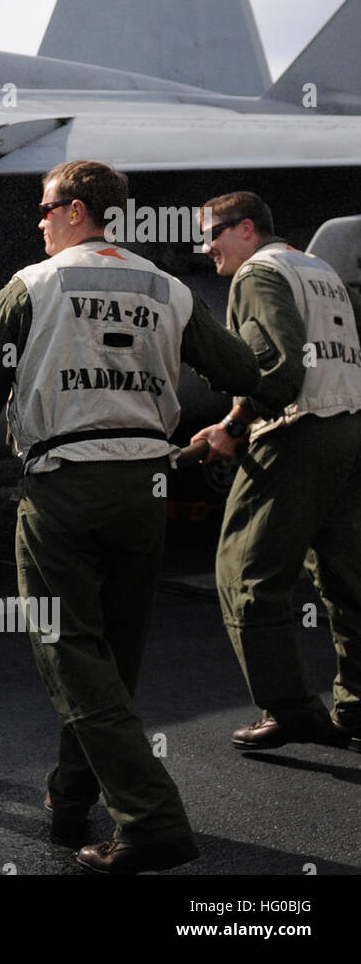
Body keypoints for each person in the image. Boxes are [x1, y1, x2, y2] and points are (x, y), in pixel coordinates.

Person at [0, 160, 258, 874]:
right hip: (146, 489)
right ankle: (71, 796)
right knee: (110, 655)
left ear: (76, 210)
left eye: (47, 208)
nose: (39, 221)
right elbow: (244, 368)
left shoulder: (34, 284)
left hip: (64, 487)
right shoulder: (166, 287)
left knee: (69, 653)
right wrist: (234, 419)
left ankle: (152, 819)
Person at [190, 192, 361, 754]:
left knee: (246, 575)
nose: (206, 246)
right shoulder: (319, 268)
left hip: (295, 434)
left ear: (245, 229)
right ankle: (358, 706)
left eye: (214, 233)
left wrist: (234, 427)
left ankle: (289, 710)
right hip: (347, 429)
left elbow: (278, 368)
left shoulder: (259, 275)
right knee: (345, 577)